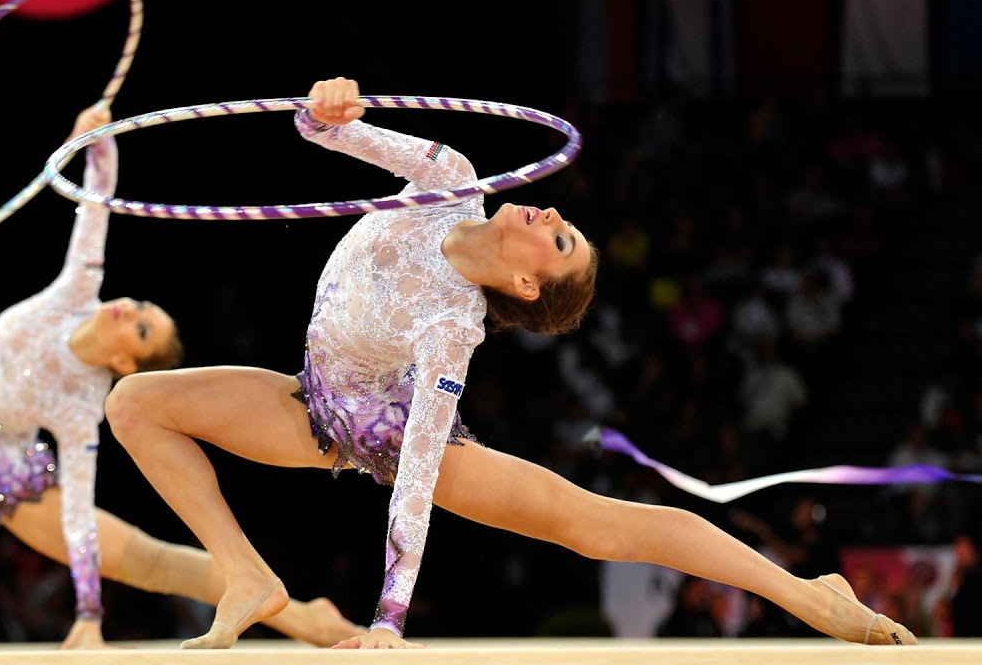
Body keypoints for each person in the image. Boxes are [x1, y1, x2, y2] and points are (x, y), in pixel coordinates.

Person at [102, 77, 920, 649]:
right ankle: (246, 577)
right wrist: (326, 109)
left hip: (389, 432)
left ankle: (807, 595)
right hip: (310, 405)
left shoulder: (451, 324)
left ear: (525, 284)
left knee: (596, 526)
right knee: (134, 404)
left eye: (559, 240)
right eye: (565, 223)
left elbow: (418, 470)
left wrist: (389, 618)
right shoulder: (451, 178)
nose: (552, 212)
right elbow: (326, 133)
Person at [0, 103, 364, 651]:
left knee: (156, 563)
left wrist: (90, 616)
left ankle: (308, 619)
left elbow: (77, 507)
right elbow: (95, 206)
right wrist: (94, 143)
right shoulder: (74, 293)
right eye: (141, 306)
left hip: (18, 487)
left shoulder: (78, 401)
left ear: (125, 365)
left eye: (141, 330)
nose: (130, 311)